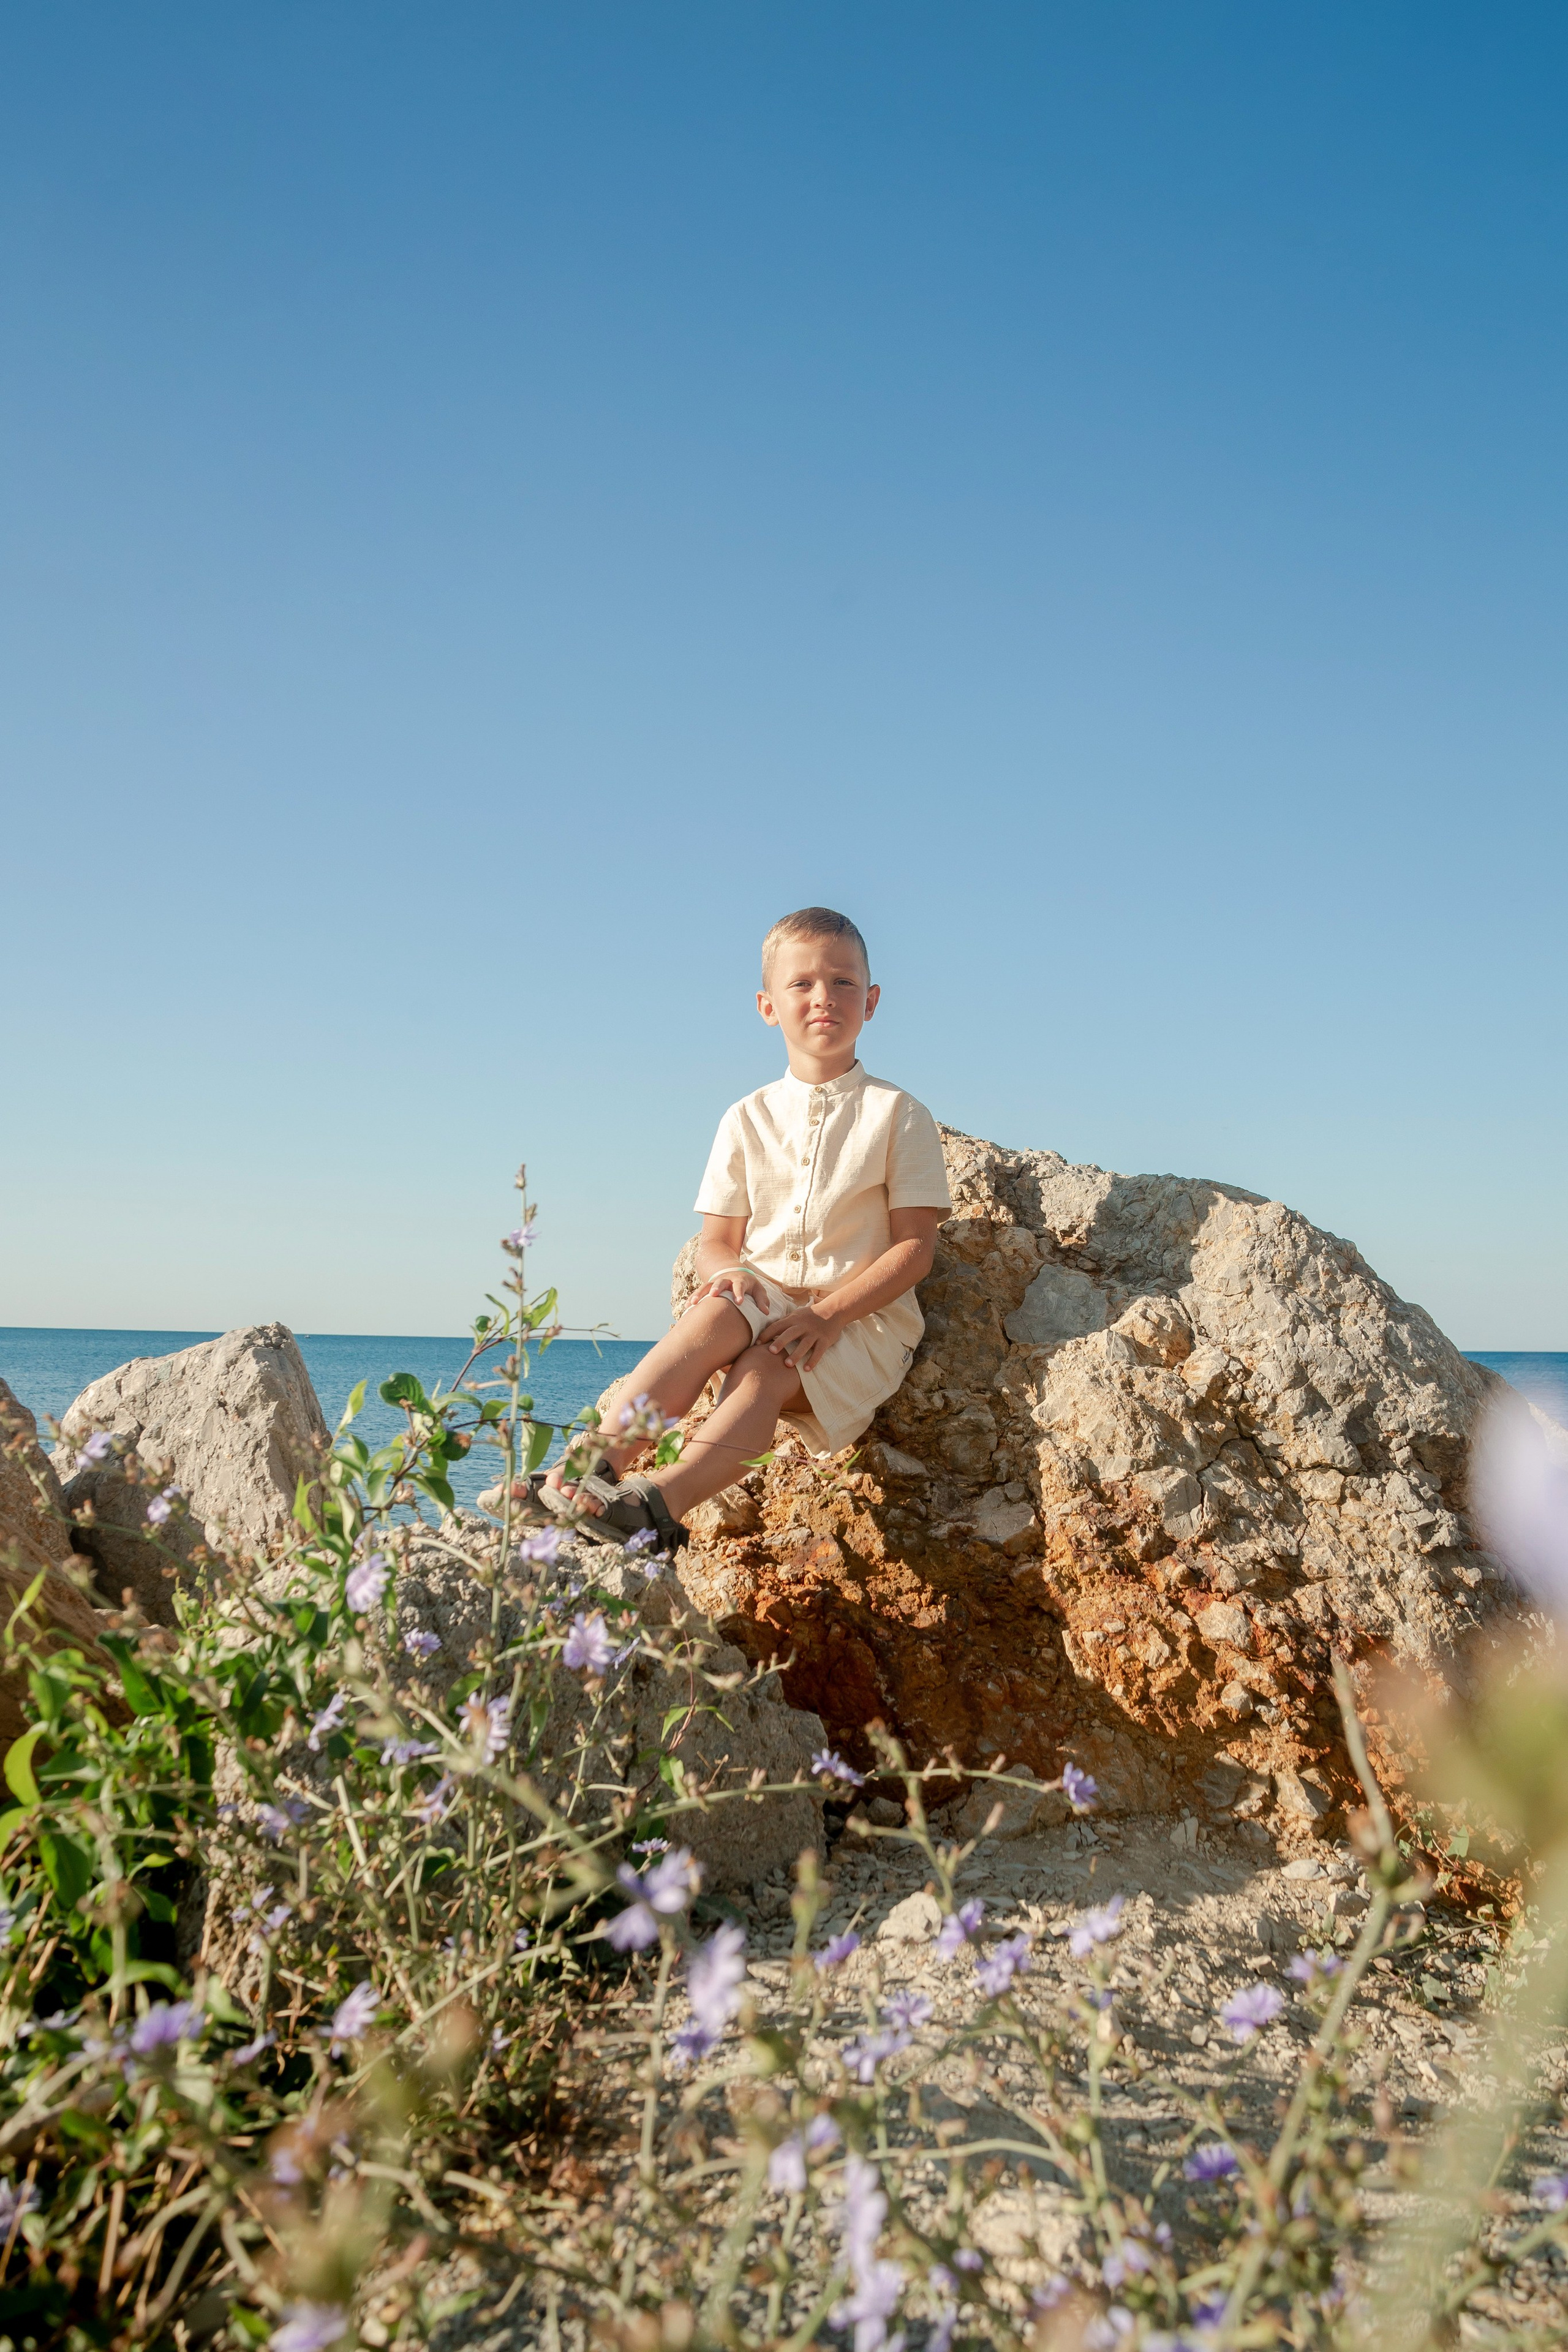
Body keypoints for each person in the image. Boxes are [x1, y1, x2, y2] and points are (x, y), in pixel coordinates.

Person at [511, 907, 951, 1551]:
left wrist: (827, 1316)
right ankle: (586, 1470)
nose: (824, 997)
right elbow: (716, 1244)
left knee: (767, 1367)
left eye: (843, 982)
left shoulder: (899, 1115)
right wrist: (732, 1274)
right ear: (768, 1006)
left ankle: (657, 1506)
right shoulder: (745, 1118)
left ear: (872, 1000)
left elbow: (915, 1248)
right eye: (801, 983)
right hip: (766, 1303)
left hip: (858, 1321)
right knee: (717, 1313)